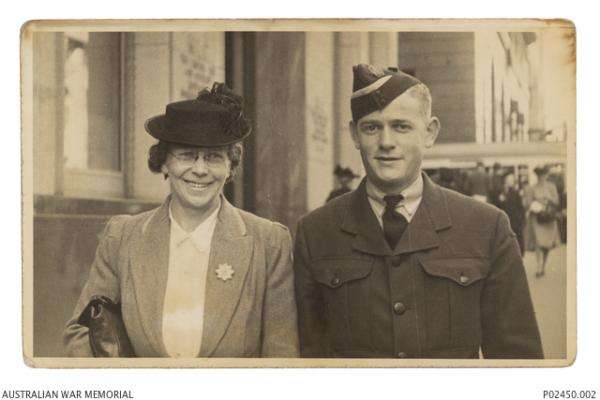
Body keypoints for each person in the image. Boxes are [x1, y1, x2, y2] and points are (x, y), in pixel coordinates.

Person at [293, 64, 543, 359]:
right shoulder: (316, 232)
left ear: (430, 133)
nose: (386, 142)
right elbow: (310, 358)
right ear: (354, 134)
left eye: (401, 126)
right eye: (372, 127)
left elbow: (517, 361)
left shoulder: (487, 228)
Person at [64, 83, 299, 358]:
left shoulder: (268, 244)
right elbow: (81, 332)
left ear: (230, 166)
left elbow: (281, 355)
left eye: (213, 157)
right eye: (187, 155)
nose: (199, 170)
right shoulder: (122, 237)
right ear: (164, 163)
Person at [523, 166, 561, 277]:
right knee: (539, 243)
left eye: (544, 175)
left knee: (547, 245)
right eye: (540, 175)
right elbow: (527, 204)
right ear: (537, 176)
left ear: (546, 175)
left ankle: (543, 265)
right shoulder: (531, 188)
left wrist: (548, 198)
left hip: (549, 218)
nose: (542, 177)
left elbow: (557, 201)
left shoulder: (551, 187)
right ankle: (539, 267)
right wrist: (536, 205)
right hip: (537, 218)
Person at [496, 172, 526, 256]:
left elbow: (520, 207)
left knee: (518, 239)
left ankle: (519, 255)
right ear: (505, 181)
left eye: (512, 179)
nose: (512, 181)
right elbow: (496, 207)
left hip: (516, 221)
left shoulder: (515, 192)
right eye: (510, 179)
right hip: (504, 221)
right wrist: (500, 200)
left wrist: (522, 219)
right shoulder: (499, 192)